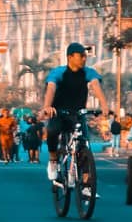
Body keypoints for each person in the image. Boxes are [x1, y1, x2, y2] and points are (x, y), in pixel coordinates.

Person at [40, 42, 110, 183]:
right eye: (81, 56)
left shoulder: (88, 72)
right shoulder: (58, 72)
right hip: (58, 112)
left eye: (85, 56)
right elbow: (51, 88)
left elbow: (96, 86)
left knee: (84, 146)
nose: (84, 59)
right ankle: (53, 160)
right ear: (70, 57)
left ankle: (85, 186)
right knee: (52, 130)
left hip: (77, 113)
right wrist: (47, 106)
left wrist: (104, 106)